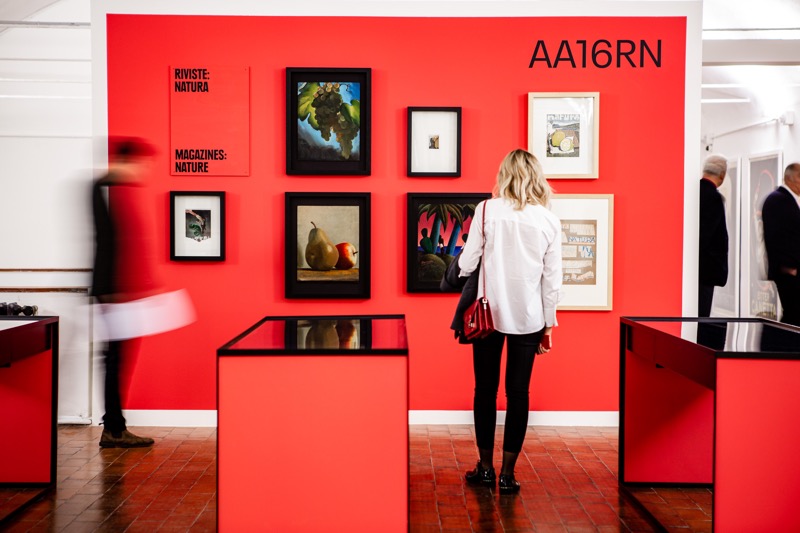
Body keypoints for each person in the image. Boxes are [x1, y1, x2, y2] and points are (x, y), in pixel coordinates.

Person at [456, 149, 562, 494]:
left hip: (487, 314)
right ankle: (508, 474)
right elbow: (552, 280)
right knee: (519, 393)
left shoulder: (486, 210)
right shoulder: (548, 219)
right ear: (536, 176)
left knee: (484, 390)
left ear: (504, 174)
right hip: (530, 317)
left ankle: (485, 468)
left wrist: (464, 271)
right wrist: (548, 324)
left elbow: (469, 262)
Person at [91, 137, 159, 448]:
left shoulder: (113, 190)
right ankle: (114, 429)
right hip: (114, 293)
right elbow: (110, 244)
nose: (143, 171)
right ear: (126, 161)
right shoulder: (106, 190)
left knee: (117, 360)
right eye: (141, 164)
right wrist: (114, 293)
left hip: (119, 292)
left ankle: (115, 426)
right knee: (115, 360)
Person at [761, 162, 800, 326]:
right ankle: (780, 348)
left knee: (794, 315)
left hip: (791, 270)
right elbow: (777, 237)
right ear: (791, 178)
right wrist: (789, 266)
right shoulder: (778, 200)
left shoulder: (786, 199)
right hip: (789, 271)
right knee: (794, 315)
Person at [698, 154, 729, 317]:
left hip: (695, 268)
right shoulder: (714, 198)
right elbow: (707, 235)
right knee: (702, 314)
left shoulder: (693, 191)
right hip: (706, 270)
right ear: (722, 175)